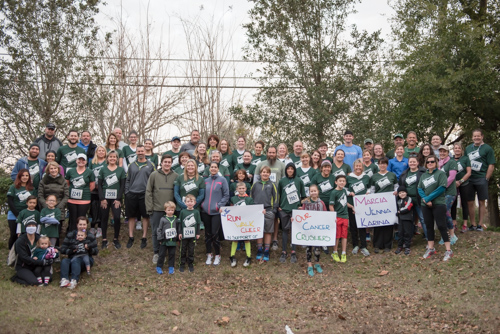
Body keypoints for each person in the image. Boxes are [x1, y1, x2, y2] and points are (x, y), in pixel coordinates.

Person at [418, 156, 453, 261]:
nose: (430, 163)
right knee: (429, 226)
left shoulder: (441, 174)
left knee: (442, 226)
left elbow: (441, 188)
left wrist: (429, 198)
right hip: (425, 205)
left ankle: (448, 250)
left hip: (438, 204)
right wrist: (425, 199)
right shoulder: (423, 176)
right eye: (428, 162)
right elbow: (419, 188)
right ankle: (431, 248)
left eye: (432, 161)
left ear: (436, 162)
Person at [146, 154, 178, 263]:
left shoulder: (176, 176)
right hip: (156, 209)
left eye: (169, 162)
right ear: (161, 163)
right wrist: (150, 208)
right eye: (165, 162)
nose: (167, 164)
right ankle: (157, 252)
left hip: (171, 211)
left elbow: (177, 193)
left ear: (171, 163)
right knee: (156, 231)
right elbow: (148, 191)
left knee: (170, 231)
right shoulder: (154, 175)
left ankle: (169, 252)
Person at [124, 145, 156, 248]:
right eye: (138, 151)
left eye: (142, 151)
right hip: (132, 194)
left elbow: (154, 180)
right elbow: (127, 180)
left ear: (144, 152)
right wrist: (127, 192)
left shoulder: (151, 165)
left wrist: (151, 193)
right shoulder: (131, 165)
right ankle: (131, 236)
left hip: (145, 194)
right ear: (136, 153)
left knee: (145, 216)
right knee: (131, 216)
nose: (140, 153)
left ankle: (144, 237)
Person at [465, 129, 496, 231]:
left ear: (482, 136)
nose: (476, 138)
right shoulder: (468, 148)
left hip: (481, 178)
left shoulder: (487, 148)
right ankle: (473, 224)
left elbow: (491, 164)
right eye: (475, 136)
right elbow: (465, 162)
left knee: (482, 201)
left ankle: (480, 224)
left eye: (478, 136)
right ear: (472, 137)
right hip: (469, 178)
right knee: (470, 202)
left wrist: (486, 178)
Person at [201, 162, 230, 266]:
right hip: (205, 211)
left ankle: (217, 255)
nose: (213, 169)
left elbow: (226, 195)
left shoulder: (222, 180)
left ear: (218, 169)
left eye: (215, 167)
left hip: (216, 212)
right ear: (209, 169)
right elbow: (202, 194)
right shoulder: (205, 181)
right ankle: (209, 254)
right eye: (211, 167)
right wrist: (202, 205)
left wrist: (219, 205)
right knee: (207, 234)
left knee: (215, 233)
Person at [278, 163, 306, 263]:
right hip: (284, 209)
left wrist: (301, 205)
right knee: (285, 230)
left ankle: (293, 252)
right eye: (288, 169)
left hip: (295, 210)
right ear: (286, 170)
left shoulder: (299, 181)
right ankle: (284, 251)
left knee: (294, 230)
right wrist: (279, 206)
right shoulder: (282, 181)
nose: (290, 170)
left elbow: (303, 196)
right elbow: (278, 195)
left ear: (294, 170)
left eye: (292, 169)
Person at [98, 150, 126, 250]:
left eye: (114, 157)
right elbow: (100, 185)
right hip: (105, 198)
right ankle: (104, 239)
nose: (112, 158)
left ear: (117, 158)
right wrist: (102, 199)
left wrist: (119, 199)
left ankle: (115, 239)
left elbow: (122, 185)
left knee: (117, 217)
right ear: (107, 158)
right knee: (104, 218)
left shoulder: (120, 170)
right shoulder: (103, 169)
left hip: (116, 199)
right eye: (110, 157)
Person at [59, 217, 98, 289]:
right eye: (80, 224)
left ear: (87, 225)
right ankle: (64, 279)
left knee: (76, 261)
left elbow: (96, 251)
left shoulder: (90, 236)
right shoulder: (71, 235)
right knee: (64, 261)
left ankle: (74, 280)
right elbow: (63, 249)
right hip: (72, 257)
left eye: (84, 224)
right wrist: (71, 251)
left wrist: (89, 249)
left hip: (86, 259)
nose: (82, 226)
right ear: (77, 225)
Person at [370, 157, 398, 253]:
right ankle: (377, 244)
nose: (382, 165)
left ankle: (387, 244)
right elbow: (372, 190)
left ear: (387, 165)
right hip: (378, 204)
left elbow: (396, 187)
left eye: (384, 163)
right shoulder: (374, 177)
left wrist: (396, 192)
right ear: (378, 164)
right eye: (380, 163)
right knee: (378, 223)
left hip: (389, 203)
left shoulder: (392, 175)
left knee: (388, 223)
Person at [12, 220, 53, 286]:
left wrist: (53, 254)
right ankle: (15, 278)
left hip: (36, 266)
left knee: (49, 278)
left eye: (33, 226)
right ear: (26, 227)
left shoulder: (39, 238)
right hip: (24, 266)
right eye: (29, 226)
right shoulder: (20, 241)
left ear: (36, 227)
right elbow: (24, 257)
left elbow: (48, 247)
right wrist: (41, 262)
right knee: (34, 282)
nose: (31, 227)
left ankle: (32, 276)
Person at [251, 166, 278, 262]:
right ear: (260, 173)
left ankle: (266, 251)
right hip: (257, 211)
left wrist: (273, 210)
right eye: (263, 172)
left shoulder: (272, 184)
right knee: (259, 231)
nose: (265, 174)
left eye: (267, 172)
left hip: (268, 211)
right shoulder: (255, 184)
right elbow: (251, 197)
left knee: (267, 231)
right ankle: (259, 250)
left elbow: (275, 198)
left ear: (270, 174)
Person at [300, 184, 327, 276]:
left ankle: (317, 263)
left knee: (317, 248)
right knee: (309, 247)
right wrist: (295, 218)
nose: (313, 192)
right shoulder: (305, 203)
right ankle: (309, 265)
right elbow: (301, 215)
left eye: (315, 191)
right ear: (309, 192)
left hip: (318, 230)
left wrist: (331, 220)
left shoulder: (321, 203)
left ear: (318, 192)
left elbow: (326, 214)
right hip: (308, 229)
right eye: (311, 191)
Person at [346, 159, 371, 256]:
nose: (358, 168)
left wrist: (368, 192)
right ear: (354, 167)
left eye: (360, 166)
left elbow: (369, 187)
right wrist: (349, 193)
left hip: (363, 205)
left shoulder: (366, 177)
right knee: (353, 226)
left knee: (363, 225)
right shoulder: (349, 177)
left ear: (362, 167)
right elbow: (345, 189)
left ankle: (363, 246)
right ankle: (355, 245)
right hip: (352, 204)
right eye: (356, 166)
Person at [399, 156, 427, 238]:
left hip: (419, 199)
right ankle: (408, 239)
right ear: (408, 163)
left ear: (418, 162)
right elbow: (402, 186)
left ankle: (428, 238)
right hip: (408, 200)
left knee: (423, 219)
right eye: (410, 162)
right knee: (409, 220)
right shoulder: (404, 174)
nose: (412, 163)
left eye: (414, 161)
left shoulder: (423, 172)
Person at [65, 153, 95, 232]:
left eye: (83, 160)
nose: (81, 161)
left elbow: (92, 185)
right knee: (72, 218)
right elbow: (67, 184)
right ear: (76, 160)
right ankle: (71, 236)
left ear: (86, 162)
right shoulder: (70, 171)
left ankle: (81, 236)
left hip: (84, 200)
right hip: (72, 200)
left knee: (81, 219)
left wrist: (84, 191)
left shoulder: (89, 172)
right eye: (79, 159)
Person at [7, 169, 36, 248]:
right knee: (13, 234)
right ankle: (11, 254)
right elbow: (10, 201)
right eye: (23, 175)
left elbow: (34, 202)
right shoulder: (13, 187)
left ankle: (21, 253)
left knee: (23, 234)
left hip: (26, 214)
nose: (25, 177)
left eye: (27, 175)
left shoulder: (32, 189)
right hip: (14, 214)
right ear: (19, 176)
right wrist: (16, 214)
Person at [37, 161, 69, 231]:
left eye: (55, 168)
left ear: (58, 169)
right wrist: (47, 206)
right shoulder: (43, 181)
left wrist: (58, 207)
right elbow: (40, 195)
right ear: (48, 170)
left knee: (57, 232)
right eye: (51, 168)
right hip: (46, 209)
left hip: (59, 209)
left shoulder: (63, 181)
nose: (53, 170)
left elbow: (66, 196)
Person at [229, 182, 254, 267]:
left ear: (246, 189)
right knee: (235, 238)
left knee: (246, 239)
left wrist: (261, 211)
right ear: (237, 189)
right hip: (236, 222)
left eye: (243, 188)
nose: (241, 190)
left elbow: (253, 210)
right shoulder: (233, 198)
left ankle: (249, 256)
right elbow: (230, 209)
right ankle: (232, 256)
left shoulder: (249, 199)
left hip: (246, 222)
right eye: (239, 188)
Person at [329, 175, 353, 263]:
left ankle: (343, 252)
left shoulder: (344, 191)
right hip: (337, 217)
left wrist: (352, 207)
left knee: (344, 235)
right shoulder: (334, 192)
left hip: (345, 217)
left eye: (343, 181)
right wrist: (333, 216)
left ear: (345, 183)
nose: (342, 182)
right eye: (340, 181)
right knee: (337, 235)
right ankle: (335, 252)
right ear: (336, 182)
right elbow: (331, 205)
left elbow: (345, 202)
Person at [438, 145, 458, 245]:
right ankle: (445, 236)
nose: (442, 153)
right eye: (440, 151)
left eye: (444, 151)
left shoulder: (452, 162)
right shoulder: (439, 163)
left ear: (448, 152)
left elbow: (452, 177)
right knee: (443, 213)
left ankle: (452, 235)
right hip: (440, 193)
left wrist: (443, 186)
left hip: (449, 192)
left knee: (444, 211)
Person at [451, 143, 471, 233]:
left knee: (464, 203)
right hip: (453, 184)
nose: (457, 149)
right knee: (453, 204)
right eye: (456, 148)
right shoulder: (450, 160)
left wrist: (460, 181)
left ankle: (465, 224)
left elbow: (469, 172)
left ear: (461, 150)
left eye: (459, 148)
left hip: (464, 183)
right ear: (453, 150)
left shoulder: (465, 159)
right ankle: (454, 224)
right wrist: (454, 182)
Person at [156, 201, 180, 275]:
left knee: (172, 254)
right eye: (169, 210)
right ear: (165, 210)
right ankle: (159, 266)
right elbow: (159, 229)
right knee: (162, 254)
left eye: (172, 210)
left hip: (172, 240)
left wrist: (178, 237)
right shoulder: (163, 219)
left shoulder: (175, 219)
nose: (170, 212)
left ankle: (171, 266)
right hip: (164, 240)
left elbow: (178, 228)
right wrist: (160, 238)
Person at [178, 194, 201, 272]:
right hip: (184, 235)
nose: (190, 203)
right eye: (188, 201)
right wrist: (180, 233)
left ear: (194, 202)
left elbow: (198, 223)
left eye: (191, 201)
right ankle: (182, 264)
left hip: (193, 235)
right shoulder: (182, 212)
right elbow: (180, 223)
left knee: (191, 250)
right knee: (183, 249)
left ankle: (190, 263)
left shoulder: (196, 212)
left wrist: (198, 233)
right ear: (185, 203)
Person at [89, 146, 107, 235]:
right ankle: (92, 227)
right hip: (93, 189)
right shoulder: (92, 162)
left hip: (103, 188)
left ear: (105, 152)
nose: (100, 152)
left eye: (102, 151)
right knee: (93, 208)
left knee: (101, 208)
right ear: (96, 152)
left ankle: (100, 227)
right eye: (99, 150)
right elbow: (88, 174)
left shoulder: (107, 162)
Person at [394, 186, 414, 255]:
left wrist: (399, 211)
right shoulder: (398, 200)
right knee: (400, 232)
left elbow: (408, 207)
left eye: (403, 192)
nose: (402, 194)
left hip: (407, 218)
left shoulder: (409, 199)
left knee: (407, 232)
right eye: (400, 193)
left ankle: (407, 246)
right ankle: (400, 246)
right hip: (400, 219)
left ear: (406, 192)